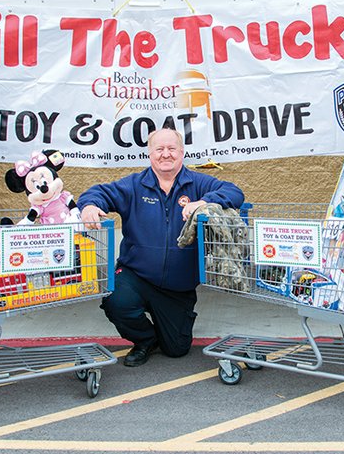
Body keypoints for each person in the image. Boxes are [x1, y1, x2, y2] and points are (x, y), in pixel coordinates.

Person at [78, 128, 244, 367]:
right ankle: (145, 339)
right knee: (116, 301)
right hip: (136, 275)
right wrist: (89, 206)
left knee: (176, 349)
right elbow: (98, 192)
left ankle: (166, 329)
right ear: (150, 153)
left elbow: (234, 192)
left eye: (171, 148)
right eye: (160, 149)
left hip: (177, 287)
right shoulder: (134, 185)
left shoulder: (197, 183)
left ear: (182, 152)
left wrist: (203, 202)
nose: (166, 154)